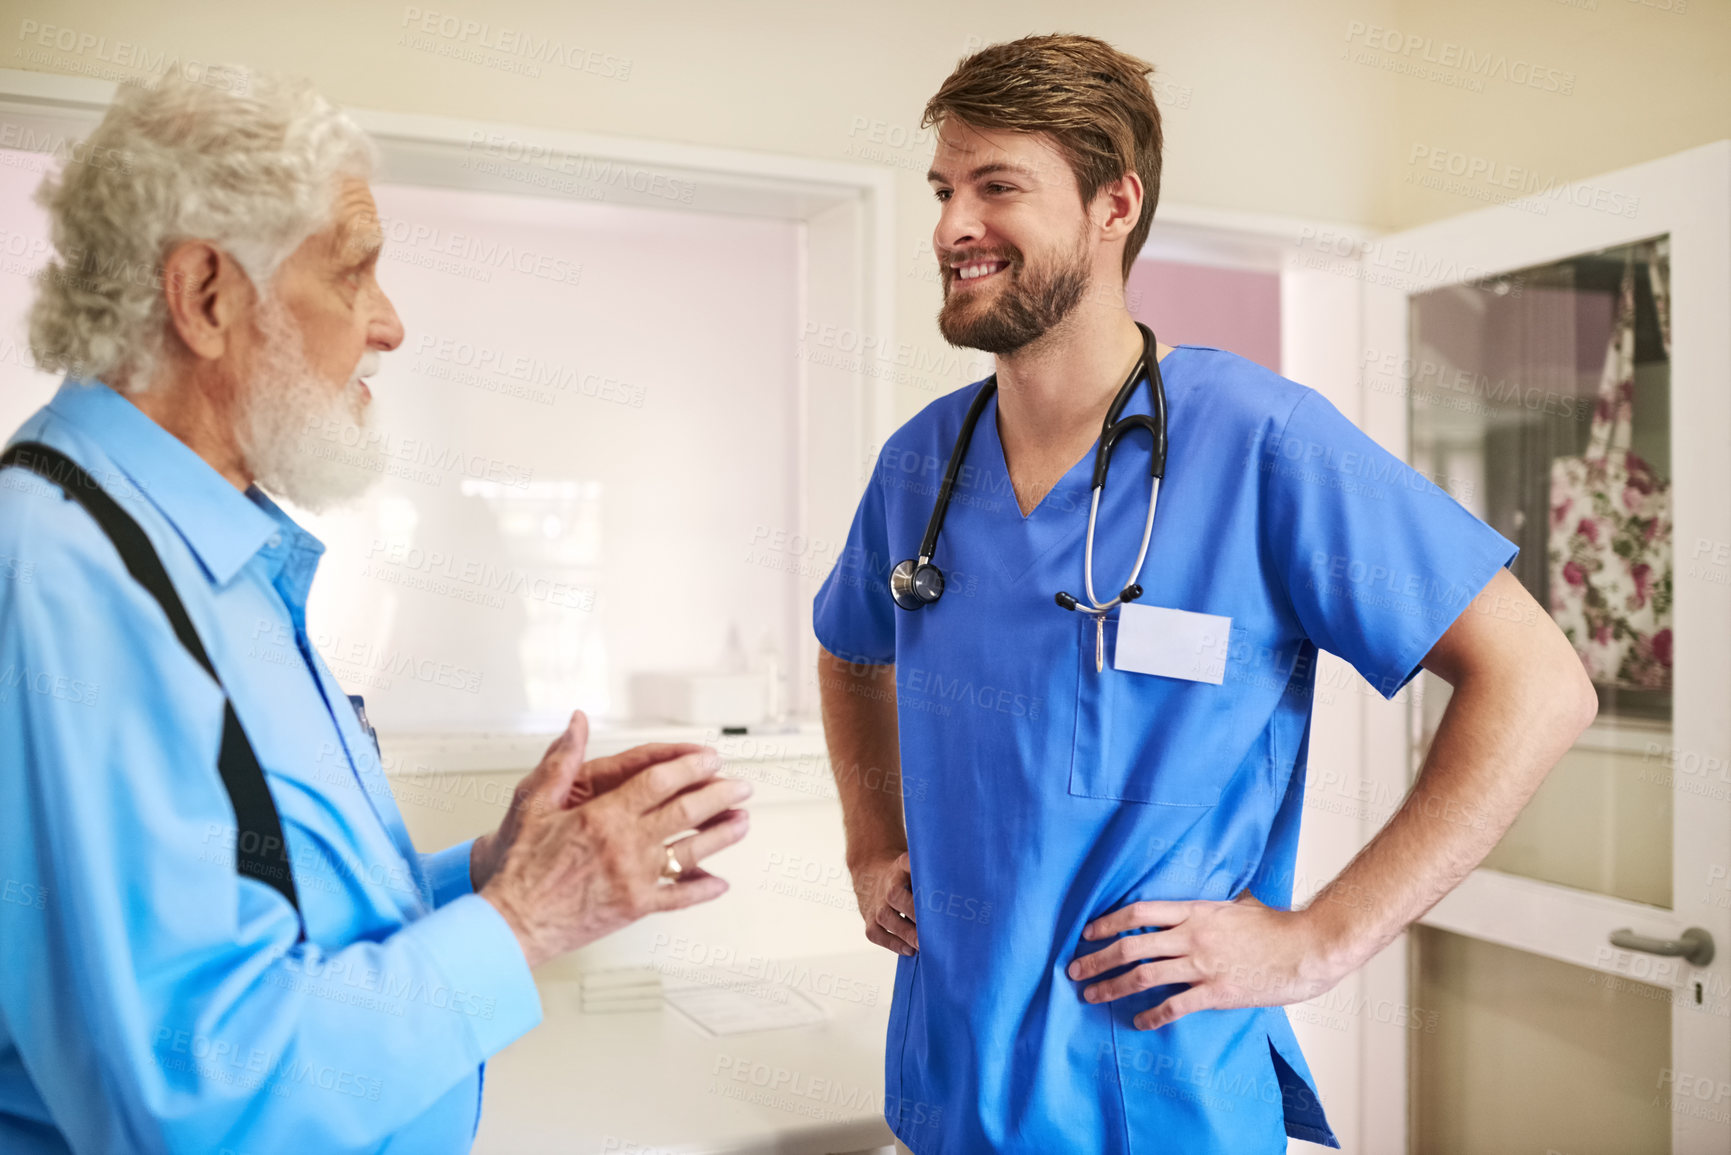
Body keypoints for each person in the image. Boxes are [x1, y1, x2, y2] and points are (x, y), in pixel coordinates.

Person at [814, 34, 1598, 1154]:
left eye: (998, 187)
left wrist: (1322, 939)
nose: (950, 227)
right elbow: (851, 652)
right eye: (944, 190)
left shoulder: (1263, 444)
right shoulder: (920, 466)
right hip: (946, 1091)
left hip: (1158, 1099)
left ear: (1113, 204)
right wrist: (869, 839)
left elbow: (1538, 684)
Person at [0, 74, 751, 1153]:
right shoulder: (71, 577)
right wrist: (531, 917)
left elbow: (273, 919)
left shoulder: (212, 553)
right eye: (354, 274)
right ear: (207, 296)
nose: (391, 325)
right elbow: (191, 1105)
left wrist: (502, 867)